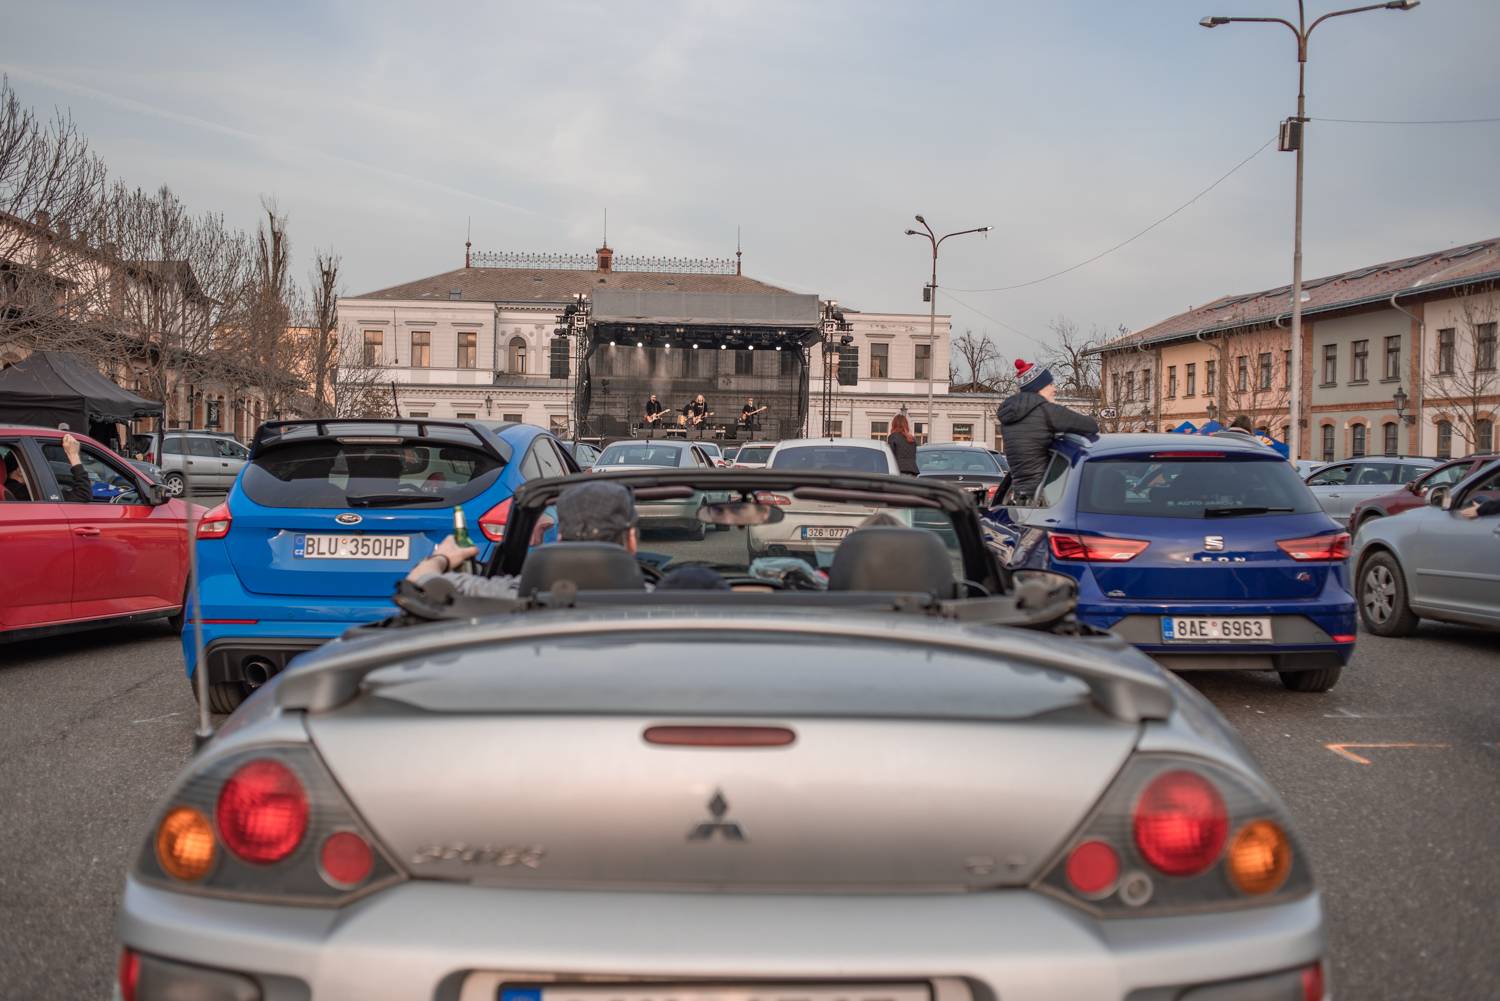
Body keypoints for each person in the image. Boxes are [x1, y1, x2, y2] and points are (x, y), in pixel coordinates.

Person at [406, 479, 640, 598]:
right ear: (631, 540)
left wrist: (442, 557)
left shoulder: (513, 595)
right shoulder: (661, 602)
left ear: (559, 537)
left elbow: (417, 582)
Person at [997, 358, 1099, 502]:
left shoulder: (1009, 416)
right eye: (1050, 384)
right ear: (1039, 387)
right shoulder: (1047, 411)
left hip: (1020, 494)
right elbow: (1091, 426)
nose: (1054, 389)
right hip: (1045, 495)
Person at [5, 434, 91, 503]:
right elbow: (83, 494)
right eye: (38, 465)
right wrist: (73, 455)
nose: (42, 470)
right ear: (20, 471)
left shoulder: (8, 488)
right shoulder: (23, 492)